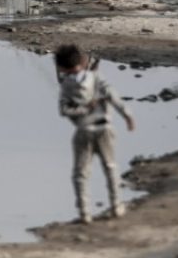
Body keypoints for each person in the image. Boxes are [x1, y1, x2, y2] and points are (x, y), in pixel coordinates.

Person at [55, 44, 135, 224]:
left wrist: (81, 110)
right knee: (111, 167)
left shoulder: (66, 85)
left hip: (83, 131)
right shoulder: (96, 78)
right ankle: (117, 207)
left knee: (81, 173)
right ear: (84, 62)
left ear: (60, 67)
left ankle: (85, 213)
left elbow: (64, 110)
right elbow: (114, 97)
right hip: (105, 128)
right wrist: (127, 115)